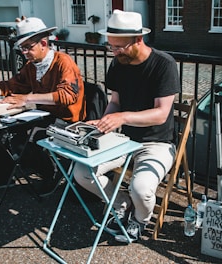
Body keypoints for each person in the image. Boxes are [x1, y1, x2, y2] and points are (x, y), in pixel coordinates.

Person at [73, 9, 180, 242]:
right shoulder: (118, 64)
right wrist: (105, 121)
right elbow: (115, 102)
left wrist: (122, 118)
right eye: (111, 46)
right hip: (124, 140)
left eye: (119, 47)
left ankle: (140, 220)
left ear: (138, 39)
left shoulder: (164, 64)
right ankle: (121, 202)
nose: (114, 51)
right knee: (81, 173)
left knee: (141, 189)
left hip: (158, 143)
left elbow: (161, 114)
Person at [0, 17, 85, 196]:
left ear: (43, 43)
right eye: (22, 48)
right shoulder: (31, 66)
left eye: (28, 48)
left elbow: (67, 96)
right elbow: (12, 85)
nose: (24, 53)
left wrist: (27, 98)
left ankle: (52, 174)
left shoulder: (63, 62)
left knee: (31, 137)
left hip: (65, 119)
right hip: (43, 114)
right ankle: (5, 174)